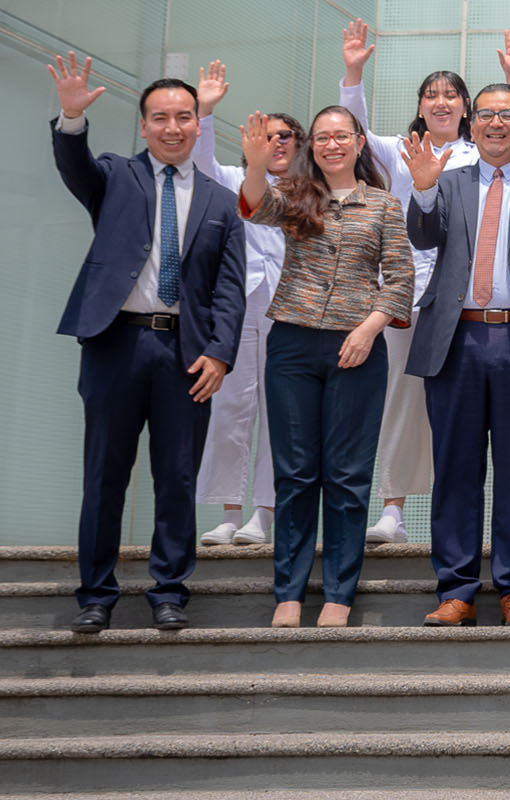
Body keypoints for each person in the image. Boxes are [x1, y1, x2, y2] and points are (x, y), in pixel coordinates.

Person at [49, 60, 246, 634]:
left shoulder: (219, 201)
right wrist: (71, 116)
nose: (173, 127)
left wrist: (221, 352)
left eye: (184, 116)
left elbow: (229, 288)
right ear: (143, 126)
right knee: (104, 474)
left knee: (178, 476)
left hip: (186, 355)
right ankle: (95, 593)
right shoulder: (114, 177)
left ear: (198, 123)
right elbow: (74, 166)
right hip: (116, 344)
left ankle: (169, 590)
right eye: (160, 118)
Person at [337, 19, 510, 545]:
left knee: (469, 415)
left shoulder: (485, 155)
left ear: (467, 107)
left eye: (451, 95)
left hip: (467, 306)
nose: (441, 102)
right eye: (431, 95)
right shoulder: (400, 150)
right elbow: (352, 132)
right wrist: (353, 74)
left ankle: (475, 521)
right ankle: (393, 511)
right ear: (421, 107)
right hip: (406, 298)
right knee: (403, 399)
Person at [400, 84, 510, 628]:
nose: (496, 123)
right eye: (486, 115)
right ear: (472, 125)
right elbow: (422, 236)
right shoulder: (445, 181)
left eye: (508, 115)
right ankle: (456, 590)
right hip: (457, 341)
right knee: (455, 468)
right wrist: (423, 192)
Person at [238, 107, 413, 628]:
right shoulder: (296, 197)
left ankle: (339, 592)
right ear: (311, 146)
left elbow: (401, 278)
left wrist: (367, 328)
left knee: (346, 475)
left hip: (356, 349)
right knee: (294, 474)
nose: (332, 144)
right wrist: (254, 164)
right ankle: (288, 593)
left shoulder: (383, 205)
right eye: (322, 138)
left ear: (360, 143)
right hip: (292, 345)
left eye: (342, 136)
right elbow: (254, 206)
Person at [191, 60, 287, 547]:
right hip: (236, 306)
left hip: (289, 311)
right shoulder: (232, 177)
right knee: (230, 407)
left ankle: (263, 514)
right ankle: (229, 511)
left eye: (288, 136)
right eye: (268, 136)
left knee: (280, 412)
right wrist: (204, 111)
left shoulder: (311, 193)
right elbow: (201, 163)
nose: (278, 143)